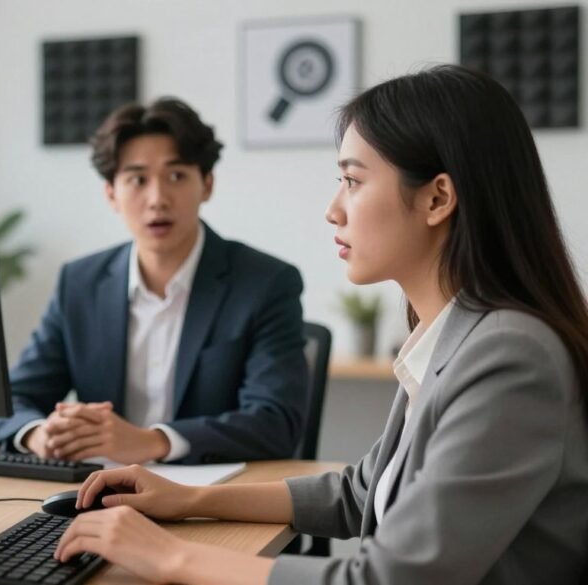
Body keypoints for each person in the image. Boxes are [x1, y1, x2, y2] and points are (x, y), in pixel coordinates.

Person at [53, 65, 588, 584]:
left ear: (437, 198)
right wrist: (189, 499)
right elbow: (360, 493)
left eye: (353, 181)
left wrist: (172, 558)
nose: (333, 210)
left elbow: (389, 578)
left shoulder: (510, 356)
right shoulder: (450, 335)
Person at [0, 98, 308, 465]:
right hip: (101, 494)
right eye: (137, 179)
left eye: (176, 176)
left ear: (207, 185)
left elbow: (277, 422)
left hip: (213, 500)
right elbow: (9, 401)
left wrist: (154, 442)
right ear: (111, 194)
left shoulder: (266, 283)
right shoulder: (80, 283)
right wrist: (39, 434)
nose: (157, 199)